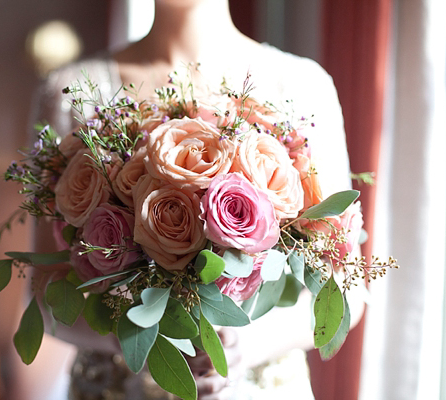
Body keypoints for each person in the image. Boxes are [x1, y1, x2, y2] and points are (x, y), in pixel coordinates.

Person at [30, 0, 365, 398]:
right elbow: (44, 292)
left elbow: (346, 287)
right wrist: (137, 336)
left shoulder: (303, 85)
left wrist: (244, 345)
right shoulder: (71, 93)